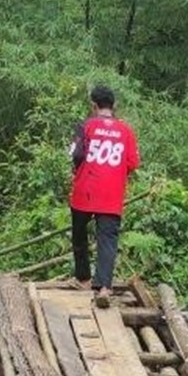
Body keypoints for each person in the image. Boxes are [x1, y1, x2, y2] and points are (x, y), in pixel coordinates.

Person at [68, 85, 140, 308]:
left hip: (85, 190)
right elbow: (133, 163)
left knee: (79, 234)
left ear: (94, 105)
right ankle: (104, 287)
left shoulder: (85, 126)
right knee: (107, 240)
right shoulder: (126, 131)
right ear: (114, 105)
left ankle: (83, 279)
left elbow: (76, 153)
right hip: (111, 194)